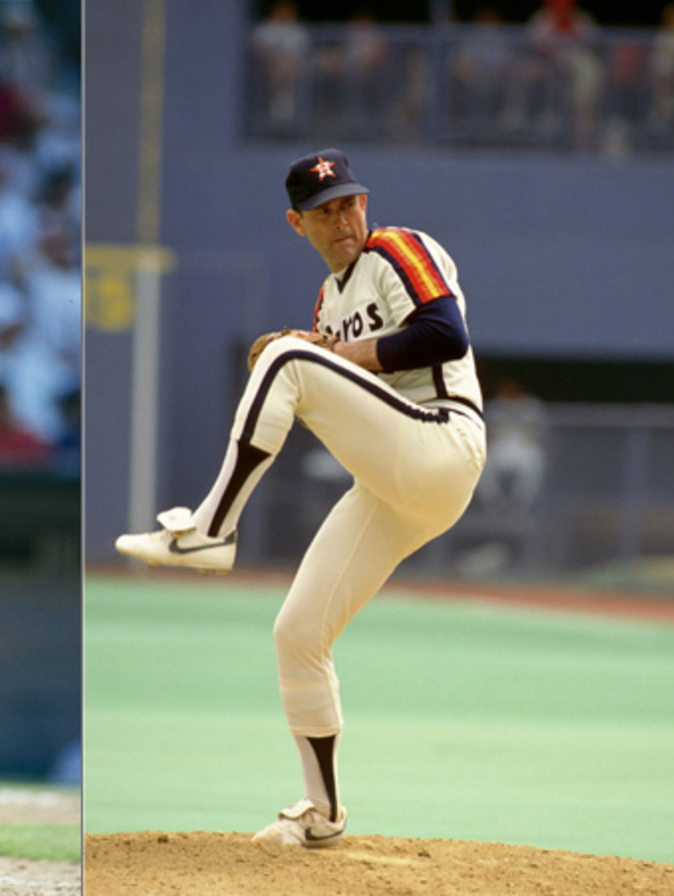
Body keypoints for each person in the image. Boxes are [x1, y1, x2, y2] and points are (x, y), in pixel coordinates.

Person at [116, 149, 485, 850]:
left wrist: (321, 357)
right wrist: (317, 353)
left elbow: (447, 334)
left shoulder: (397, 249)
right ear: (297, 224)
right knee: (297, 632)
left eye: (349, 202)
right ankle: (324, 812)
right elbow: (341, 383)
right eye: (325, 211)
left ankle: (209, 530)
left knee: (287, 357)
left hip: (444, 442)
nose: (343, 219)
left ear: (365, 203)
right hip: (391, 481)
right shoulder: (328, 302)